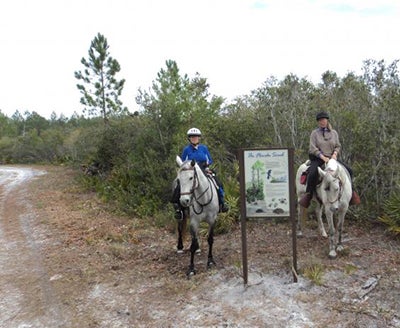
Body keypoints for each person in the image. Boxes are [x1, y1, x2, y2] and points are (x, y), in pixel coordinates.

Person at [299, 111, 361, 208]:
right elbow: (312, 148)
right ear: (318, 122)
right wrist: (322, 156)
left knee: (349, 170)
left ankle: (351, 193)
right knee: (312, 172)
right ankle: (309, 194)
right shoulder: (314, 134)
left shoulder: (334, 133)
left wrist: (335, 154)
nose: (322, 122)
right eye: (320, 120)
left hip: (332, 158)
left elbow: (337, 145)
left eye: (323, 120)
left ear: (327, 120)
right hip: (319, 158)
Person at [172, 127, 229, 219]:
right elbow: (183, 163)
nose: (194, 138)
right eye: (192, 137)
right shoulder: (187, 150)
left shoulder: (203, 148)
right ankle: (179, 209)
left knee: (217, 182)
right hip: (190, 172)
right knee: (179, 185)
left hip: (203, 170)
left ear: (199, 138)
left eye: (196, 137)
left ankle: (222, 203)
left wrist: (207, 165)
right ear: (189, 139)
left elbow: (209, 160)